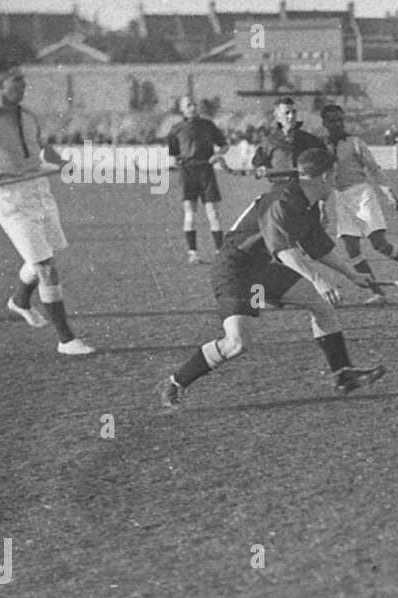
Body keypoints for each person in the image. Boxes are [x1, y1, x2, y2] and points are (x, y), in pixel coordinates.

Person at [157, 147, 384, 409]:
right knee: (238, 342)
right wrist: (318, 281)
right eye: (333, 176)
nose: (335, 183)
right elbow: (283, 249)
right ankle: (175, 382)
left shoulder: (306, 202)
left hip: (262, 270)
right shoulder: (283, 201)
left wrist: (352, 275)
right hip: (236, 270)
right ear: (323, 177)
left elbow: (319, 247)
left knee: (320, 306)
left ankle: (344, 374)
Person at [0, 59, 94, 355]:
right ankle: (67, 340)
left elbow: (40, 148)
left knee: (42, 257)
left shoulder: (29, 116)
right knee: (46, 267)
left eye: (23, 79)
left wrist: (63, 163)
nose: (24, 85)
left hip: (40, 190)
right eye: (17, 81)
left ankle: (20, 302)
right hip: (10, 198)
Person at [319, 104, 398, 303]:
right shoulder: (322, 147)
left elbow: (374, 170)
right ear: (324, 123)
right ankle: (377, 293)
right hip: (341, 198)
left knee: (379, 245)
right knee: (352, 250)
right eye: (332, 121)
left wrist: (389, 194)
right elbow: (323, 178)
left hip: (362, 194)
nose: (337, 124)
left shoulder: (355, 142)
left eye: (340, 120)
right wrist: (321, 207)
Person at [167, 95, 228, 264]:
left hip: (206, 172)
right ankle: (193, 253)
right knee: (190, 214)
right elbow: (173, 154)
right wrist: (176, 162)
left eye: (194, 104)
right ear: (182, 109)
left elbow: (224, 145)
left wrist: (217, 155)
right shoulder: (176, 129)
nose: (192, 108)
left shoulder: (208, 125)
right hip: (188, 174)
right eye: (188, 105)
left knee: (213, 214)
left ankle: (219, 251)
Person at [249, 97, 326, 173]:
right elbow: (258, 166)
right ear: (277, 116)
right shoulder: (270, 142)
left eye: (294, 112)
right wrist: (262, 169)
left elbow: (325, 160)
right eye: (286, 113)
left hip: (304, 184)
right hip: (279, 183)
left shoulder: (309, 140)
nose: (291, 116)